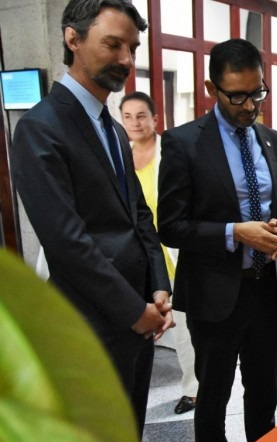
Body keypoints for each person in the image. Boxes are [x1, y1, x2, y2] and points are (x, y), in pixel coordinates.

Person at [9, 0, 173, 439]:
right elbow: (67, 242)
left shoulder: (113, 128)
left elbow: (139, 214)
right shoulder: (41, 128)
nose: (126, 60)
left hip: (137, 317)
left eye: (133, 48)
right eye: (113, 44)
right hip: (91, 324)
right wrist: (133, 310)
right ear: (73, 38)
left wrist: (158, 285)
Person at [157, 38, 277, 442]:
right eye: (237, 95)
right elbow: (171, 226)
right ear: (209, 87)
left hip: (264, 294)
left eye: (258, 93)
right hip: (213, 297)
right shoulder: (183, 143)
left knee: (263, 394)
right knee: (213, 398)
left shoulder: (272, 140)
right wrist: (237, 233)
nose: (249, 105)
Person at [120, 91, 199, 414]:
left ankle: (193, 388)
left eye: (142, 116)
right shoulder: (119, 155)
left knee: (183, 323)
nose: (135, 123)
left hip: (174, 250)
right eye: (127, 116)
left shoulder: (172, 151)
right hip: (135, 254)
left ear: (155, 119)